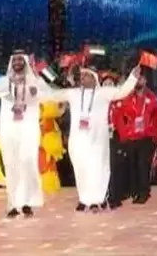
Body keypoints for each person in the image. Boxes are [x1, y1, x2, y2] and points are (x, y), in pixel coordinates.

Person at [52, 66, 139, 211]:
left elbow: (122, 91)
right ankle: (84, 199)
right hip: (78, 140)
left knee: (97, 168)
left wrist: (133, 77)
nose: (83, 78)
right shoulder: (73, 94)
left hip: (98, 140)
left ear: (94, 78)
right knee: (81, 169)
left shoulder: (103, 93)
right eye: (82, 75)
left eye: (86, 75)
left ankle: (97, 199)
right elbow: (53, 95)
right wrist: (36, 80)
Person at [0, 52, 48, 218]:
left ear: (25, 62)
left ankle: (27, 202)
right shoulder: (4, 80)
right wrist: (9, 87)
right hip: (9, 129)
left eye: (20, 60)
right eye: (14, 59)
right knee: (11, 165)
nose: (16, 62)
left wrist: (35, 86)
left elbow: (46, 95)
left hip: (28, 128)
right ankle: (13, 204)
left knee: (28, 162)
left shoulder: (34, 81)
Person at [116, 69, 157, 205]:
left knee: (143, 164)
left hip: (147, 137)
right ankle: (135, 191)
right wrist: (124, 132)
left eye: (141, 78)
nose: (138, 81)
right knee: (133, 165)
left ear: (145, 81)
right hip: (131, 137)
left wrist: (156, 132)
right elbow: (119, 115)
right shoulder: (128, 97)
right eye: (137, 78)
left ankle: (144, 193)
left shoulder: (152, 98)